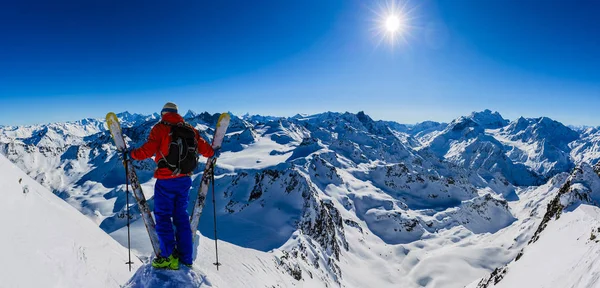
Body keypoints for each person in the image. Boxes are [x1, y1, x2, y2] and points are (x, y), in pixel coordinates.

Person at [130, 102, 214, 269]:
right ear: (177, 113)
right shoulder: (190, 129)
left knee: (162, 216)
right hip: (185, 180)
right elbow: (207, 150)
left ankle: (168, 256)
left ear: (163, 113)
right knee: (181, 216)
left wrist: (130, 154)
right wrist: (214, 152)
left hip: (166, 180)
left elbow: (147, 150)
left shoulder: (160, 128)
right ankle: (186, 258)